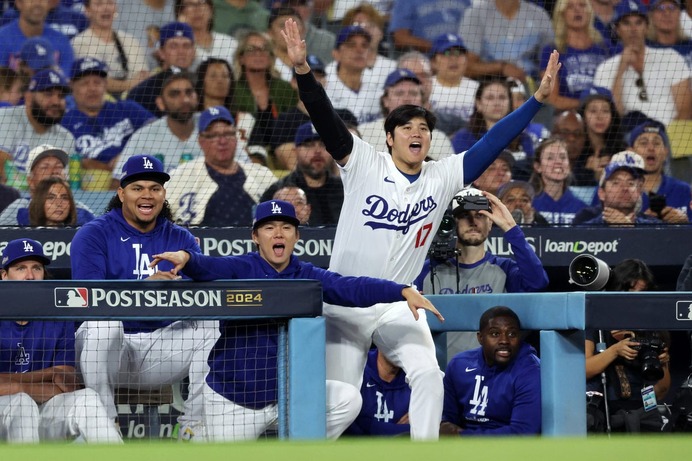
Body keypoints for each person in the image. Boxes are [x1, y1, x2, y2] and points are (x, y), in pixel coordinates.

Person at [282, 16, 560, 440]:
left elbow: (493, 140)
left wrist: (537, 99)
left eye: (424, 129)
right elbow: (324, 116)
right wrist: (303, 71)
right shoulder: (363, 162)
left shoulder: (443, 175)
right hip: (346, 302)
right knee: (340, 396)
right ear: (389, 138)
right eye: (407, 127)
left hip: (400, 302)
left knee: (429, 374)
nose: (417, 133)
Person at [148, 199, 443, 441]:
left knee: (348, 400)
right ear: (255, 236)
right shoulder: (240, 267)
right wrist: (186, 258)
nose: (278, 234)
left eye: (286, 227)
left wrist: (401, 290)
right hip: (234, 398)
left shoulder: (307, 275)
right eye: (269, 227)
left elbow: (352, 287)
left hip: (289, 395)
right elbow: (207, 266)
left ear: (296, 236)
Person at [71, 154, 221, 442]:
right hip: (109, 352)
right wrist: (143, 288)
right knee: (104, 325)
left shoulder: (181, 239)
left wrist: (176, 290)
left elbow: (200, 297)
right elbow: (88, 300)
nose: (147, 195)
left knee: (212, 322)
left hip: (160, 349)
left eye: (155, 188)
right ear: (121, 193)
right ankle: (104, 428)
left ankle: (192, 429)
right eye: (137, 188)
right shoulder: (93, 235)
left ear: (164, 194)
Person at [0, 238, 122, 444]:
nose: (30, 276)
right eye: (20, 268)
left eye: (36, 268)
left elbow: (67, 383)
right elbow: (54, 379)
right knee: (22, 404)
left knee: (88, 399)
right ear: (4, 276)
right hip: (5, 414)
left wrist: (17, 385)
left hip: (46, 412)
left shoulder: (58, 315)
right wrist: (48, 375)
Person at [414, 188, 548, 356]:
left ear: (491, 222)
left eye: (480, 215)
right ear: (453, 222)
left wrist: (510, 228)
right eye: (464, 216)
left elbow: (538, 282)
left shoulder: (504, 269)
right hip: (439, 371)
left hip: (490, 372)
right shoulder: (429, 269)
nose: (473, 222)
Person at [585, 258, 671, 433]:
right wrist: (615, 350)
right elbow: (583, 370)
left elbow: (661, 390)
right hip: (603, 413)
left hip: (643, 413)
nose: (635, 297)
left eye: (642, 291)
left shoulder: (653, 329)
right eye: (630, 290)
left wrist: (662, 363)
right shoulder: (595, 324)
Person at [166, 105, 276, 226]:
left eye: (228, 134)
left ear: (236, 138)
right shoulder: (179, 177)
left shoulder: (263, 175)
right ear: (201, 141)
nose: (222, 141)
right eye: (213, 135)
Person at [439, 306, 541, 436]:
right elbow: (446, 418)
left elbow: (523, 433)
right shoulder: (458, 364)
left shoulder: (530, 370)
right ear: (480, 338)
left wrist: (463, 437)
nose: (504, 341)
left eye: (512, 334)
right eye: (495, 334)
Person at [592, 0, 692, 127]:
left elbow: (685, 109)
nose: (633, 29)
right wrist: (621, 70)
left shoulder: (671, 57)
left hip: (670, 136)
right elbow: (612, 116)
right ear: (617, 29)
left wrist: (663, 139)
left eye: (638, 23)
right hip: (628, 139)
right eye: (626, 23)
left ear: (646, 27)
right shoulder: (605, 69)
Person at [61, 57, 154, 189]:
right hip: (89, 191)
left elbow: (160, 133)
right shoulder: (65, 123)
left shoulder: (128, 109)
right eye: (85, 83)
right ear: (72, 86)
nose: (92, 88)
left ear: (105, 85)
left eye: (97, 82)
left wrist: (128, 157)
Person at [111, 72, 201, 188]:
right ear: (161, 103)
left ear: (197, 97)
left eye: (189, 92)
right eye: (175, 94)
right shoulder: (143, 137)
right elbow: (117, 183)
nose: (185, 99)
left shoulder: (212, 128)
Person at [0, 69, 75, 190]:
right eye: (48, 94)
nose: (56, 101)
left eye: (61, 96)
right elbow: (1, 166)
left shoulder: (66, 138)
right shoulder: (5, 118)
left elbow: (60, 183)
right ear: (29, 98)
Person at [357, 69, 454, 160]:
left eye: (413, 93)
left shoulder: (439, 139)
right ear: (385, 100)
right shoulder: (364, 134)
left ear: (422, 100)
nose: (406, 99)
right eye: (399, 93)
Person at [260, 122, 343, 226]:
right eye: (309, 145)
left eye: (323, 144)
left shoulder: (346, 189)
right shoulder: (277, 191)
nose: (317, 151)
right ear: (295, 151)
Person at [451, 79, 535, 180]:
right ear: (479, 104)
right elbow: (463, 173)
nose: (497, 103)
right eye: (490, 98)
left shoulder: (524, 139)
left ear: (510, 103)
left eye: (502, 97)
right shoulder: (463, 138)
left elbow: (529, 173)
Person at [539, 0, 611, 111]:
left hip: (606, 114)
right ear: (562, 14)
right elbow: (552, 99)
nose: (577, 10)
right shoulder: (551, 51)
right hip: (569, 116)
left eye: (582, 5)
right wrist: (587, 105)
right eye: (570, 7)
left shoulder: (606, 47)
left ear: (590, 12)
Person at [231, 30, 297, 149]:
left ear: (271, 58)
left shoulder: (284, 88)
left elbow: (294, 122)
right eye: (251, 49)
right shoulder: (231, 90)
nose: (258, 54)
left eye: (264, 49)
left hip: (283, 150)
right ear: (241, 58)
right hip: (243, 150)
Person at [71, 0, 150, 98]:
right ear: (87, 10)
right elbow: (94, 81)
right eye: (99, 4)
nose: (106, 8)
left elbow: (143, 77)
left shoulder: (131, 41)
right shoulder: (79, 43)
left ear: (116, 8)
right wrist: (129, 85)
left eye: (110, 3)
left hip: (133, 100)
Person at [458, 0, 554, 81]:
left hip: (531, 88)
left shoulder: (539, 15)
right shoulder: (475, 15)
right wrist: (500, 67)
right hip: (489, 86)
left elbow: (552, 60)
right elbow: (465, 66)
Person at [0, 145, 94, 225]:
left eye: (59, 167)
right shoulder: (19, 208)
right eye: (45, 167)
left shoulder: (81, 210)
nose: (54, 171)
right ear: (30, 181)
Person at [126, 21, 197, 117]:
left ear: (193, 52)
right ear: (161, 52)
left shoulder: (204, 84)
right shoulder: (143, 92)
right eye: (173, 46)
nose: (181, 52)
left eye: (186, 46)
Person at [628, 120, 691, 223]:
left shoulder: (684, 190)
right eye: (643, 143)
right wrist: (639, 222)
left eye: (657, 143)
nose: (651, 148)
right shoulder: (615, 189)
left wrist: (685, 223)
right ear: (631, 152)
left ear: (666, 152)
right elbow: (595, 227)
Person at [580, 150, 662, 225]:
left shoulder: (656, 227)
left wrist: (627, 228)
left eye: (631, 183)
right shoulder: (586, 229)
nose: (625, 188)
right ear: (602, 193)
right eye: (616, 183)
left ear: (639, 191)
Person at [344, 348, 412, 436]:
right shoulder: (355, 367)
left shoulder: (416, 377)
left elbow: (428, 428)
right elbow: (350, 426)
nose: (400, 346)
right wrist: (401, 431)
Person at [324, 25, 382, 124]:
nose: (360, 50)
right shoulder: (323, 87)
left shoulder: (377, 89)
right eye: (351, 45)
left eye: (364, 45)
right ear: (336, 54)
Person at [0, 0, 74, 77]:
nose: (37, 3)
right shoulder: (2, 38)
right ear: (19, 3)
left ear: (49, 4)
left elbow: (66, 78)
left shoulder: (61, 40)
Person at [572, 85, 627, 186]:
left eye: (605, 111)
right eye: (593, 111)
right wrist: (588, 172)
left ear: (612, 115)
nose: (599, 117)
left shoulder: (623, 150)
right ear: (582, 115)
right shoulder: (574, 148)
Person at [427, 33, 479, 136]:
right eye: (446, 53)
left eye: (458, 53)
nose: (453, 59)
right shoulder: (425, 88)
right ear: (433, 61)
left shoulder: (477, 88)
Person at [529, 137, 587, 224]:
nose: (558, 162)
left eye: (563, 157)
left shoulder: (583, 209)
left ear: (569, 165)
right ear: (538, 167)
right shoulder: (529, 205)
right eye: (550, 158)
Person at [174, 0, 237, 72]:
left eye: (201, 3)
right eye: (189, 4)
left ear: (211, 10)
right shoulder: (175, 46)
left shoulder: (230, 43)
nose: (196, 10)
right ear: (180, 13)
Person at [387, 0, 468, 53]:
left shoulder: (466, 2)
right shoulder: (405, 2)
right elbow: (400, 39)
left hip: (462, 58)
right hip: (425, 62)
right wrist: (438, 47)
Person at [340, 4, 396, 79]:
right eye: (358, 25)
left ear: (381, 33)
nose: (365, 30)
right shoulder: (331, 71)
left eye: (371, 25)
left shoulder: (393, 68)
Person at [647, 0, 692, 70]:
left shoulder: (689, 47)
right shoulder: (643, 49)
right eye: (660, 8)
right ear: (651, 15)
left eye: (672, 8)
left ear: (680, 14)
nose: (667, 13)